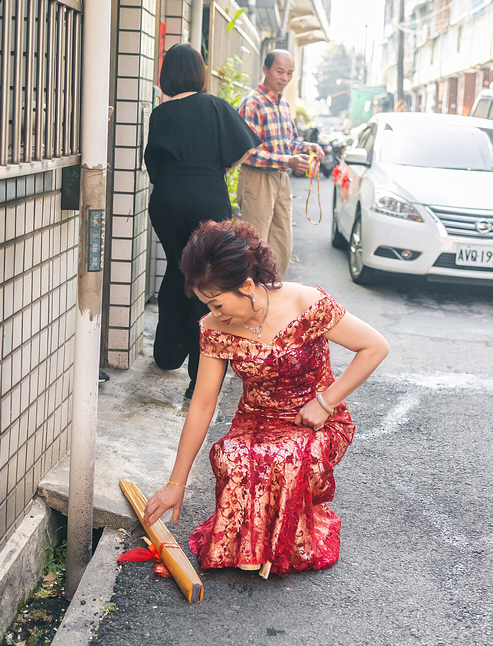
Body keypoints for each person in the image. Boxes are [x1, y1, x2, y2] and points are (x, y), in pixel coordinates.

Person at [142, 220, 390, 578]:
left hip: (315, 417)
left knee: (285, 459)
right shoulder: (213, 328)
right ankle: (252, 546)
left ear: (246, 286)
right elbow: (202, 404)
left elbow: (375, 347)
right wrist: (174, 484)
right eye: (206, 305)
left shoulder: (306, 302)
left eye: (216, 303)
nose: (213, 313)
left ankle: (282, 544)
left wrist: (325, 403)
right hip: (255, 419)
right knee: (232, 456)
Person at [144, 43, 262, 398]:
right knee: (206, 279)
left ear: (167, 74)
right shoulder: (215, 106)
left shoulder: (160, 114)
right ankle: (199, 378)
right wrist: (219, 166)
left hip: (167, 198)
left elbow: (154, 169)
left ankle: (167, 353)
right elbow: (246, 147)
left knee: (177, 268)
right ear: (200, 72)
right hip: (207, 196)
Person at [236, 49, 324, 277]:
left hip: (281, 179)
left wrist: (308, 148)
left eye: (290, 73)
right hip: (257, 179)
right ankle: (250, 303)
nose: (285, 78)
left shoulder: (283, 105)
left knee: (282, 245)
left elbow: (289, 142)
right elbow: (248, 152)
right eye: (280, 71)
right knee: (254, 246)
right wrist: (289, 161)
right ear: (265, 70)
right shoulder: (252, 103)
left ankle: (272, 298)